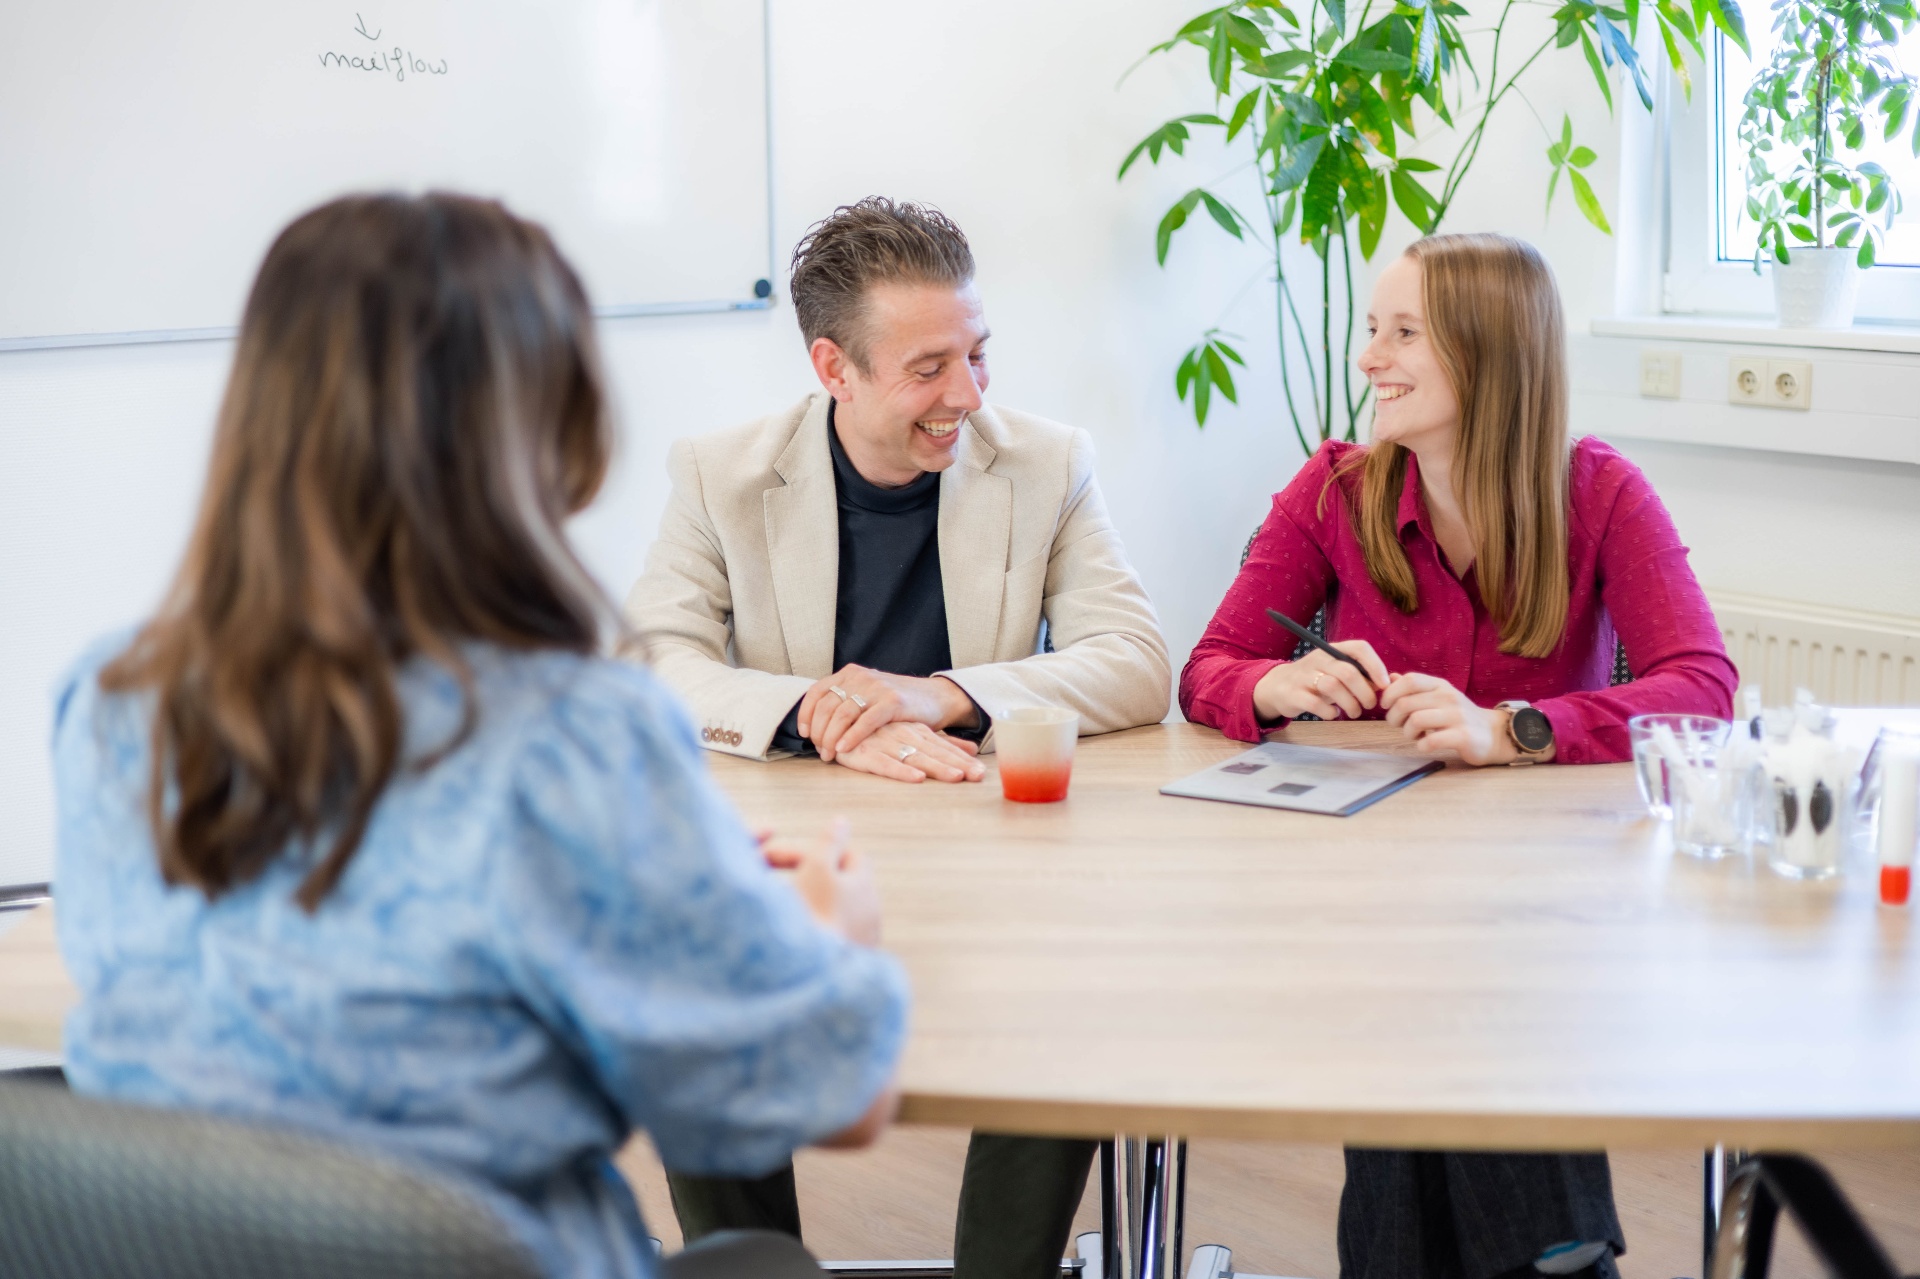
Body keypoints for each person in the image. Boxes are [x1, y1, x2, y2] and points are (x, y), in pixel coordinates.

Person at [50, 192, 907, 1279]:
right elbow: (829, 1094)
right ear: (555, 422)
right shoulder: (574, 732)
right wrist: (837, 930)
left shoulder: (111, 700)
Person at [623, 197, 1171, 1276]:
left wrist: (941, 694)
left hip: (995, 861)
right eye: (928, 368)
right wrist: (810, 713)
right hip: (799, 859)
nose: (965, 395)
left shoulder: (1048, 462)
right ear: (836, 367)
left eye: (976, 354)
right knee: (692, 994)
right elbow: (649, 661)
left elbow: (1137, 660)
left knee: (1066, 987)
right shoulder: (720, 470)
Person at [1181, 233, 1737, 1279]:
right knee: (1429, 995)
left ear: (1487, 356)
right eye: (1370, 330)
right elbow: (1209, 662)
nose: (1367, 359)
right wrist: (1271, 683)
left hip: (1542, 899)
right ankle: (1562, 1262)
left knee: (1462, 999)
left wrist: (1511, 728)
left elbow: (1704, 689)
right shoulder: (1334, 492)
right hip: (1375, 883)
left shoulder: (1599, 491)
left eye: (1401, 335)